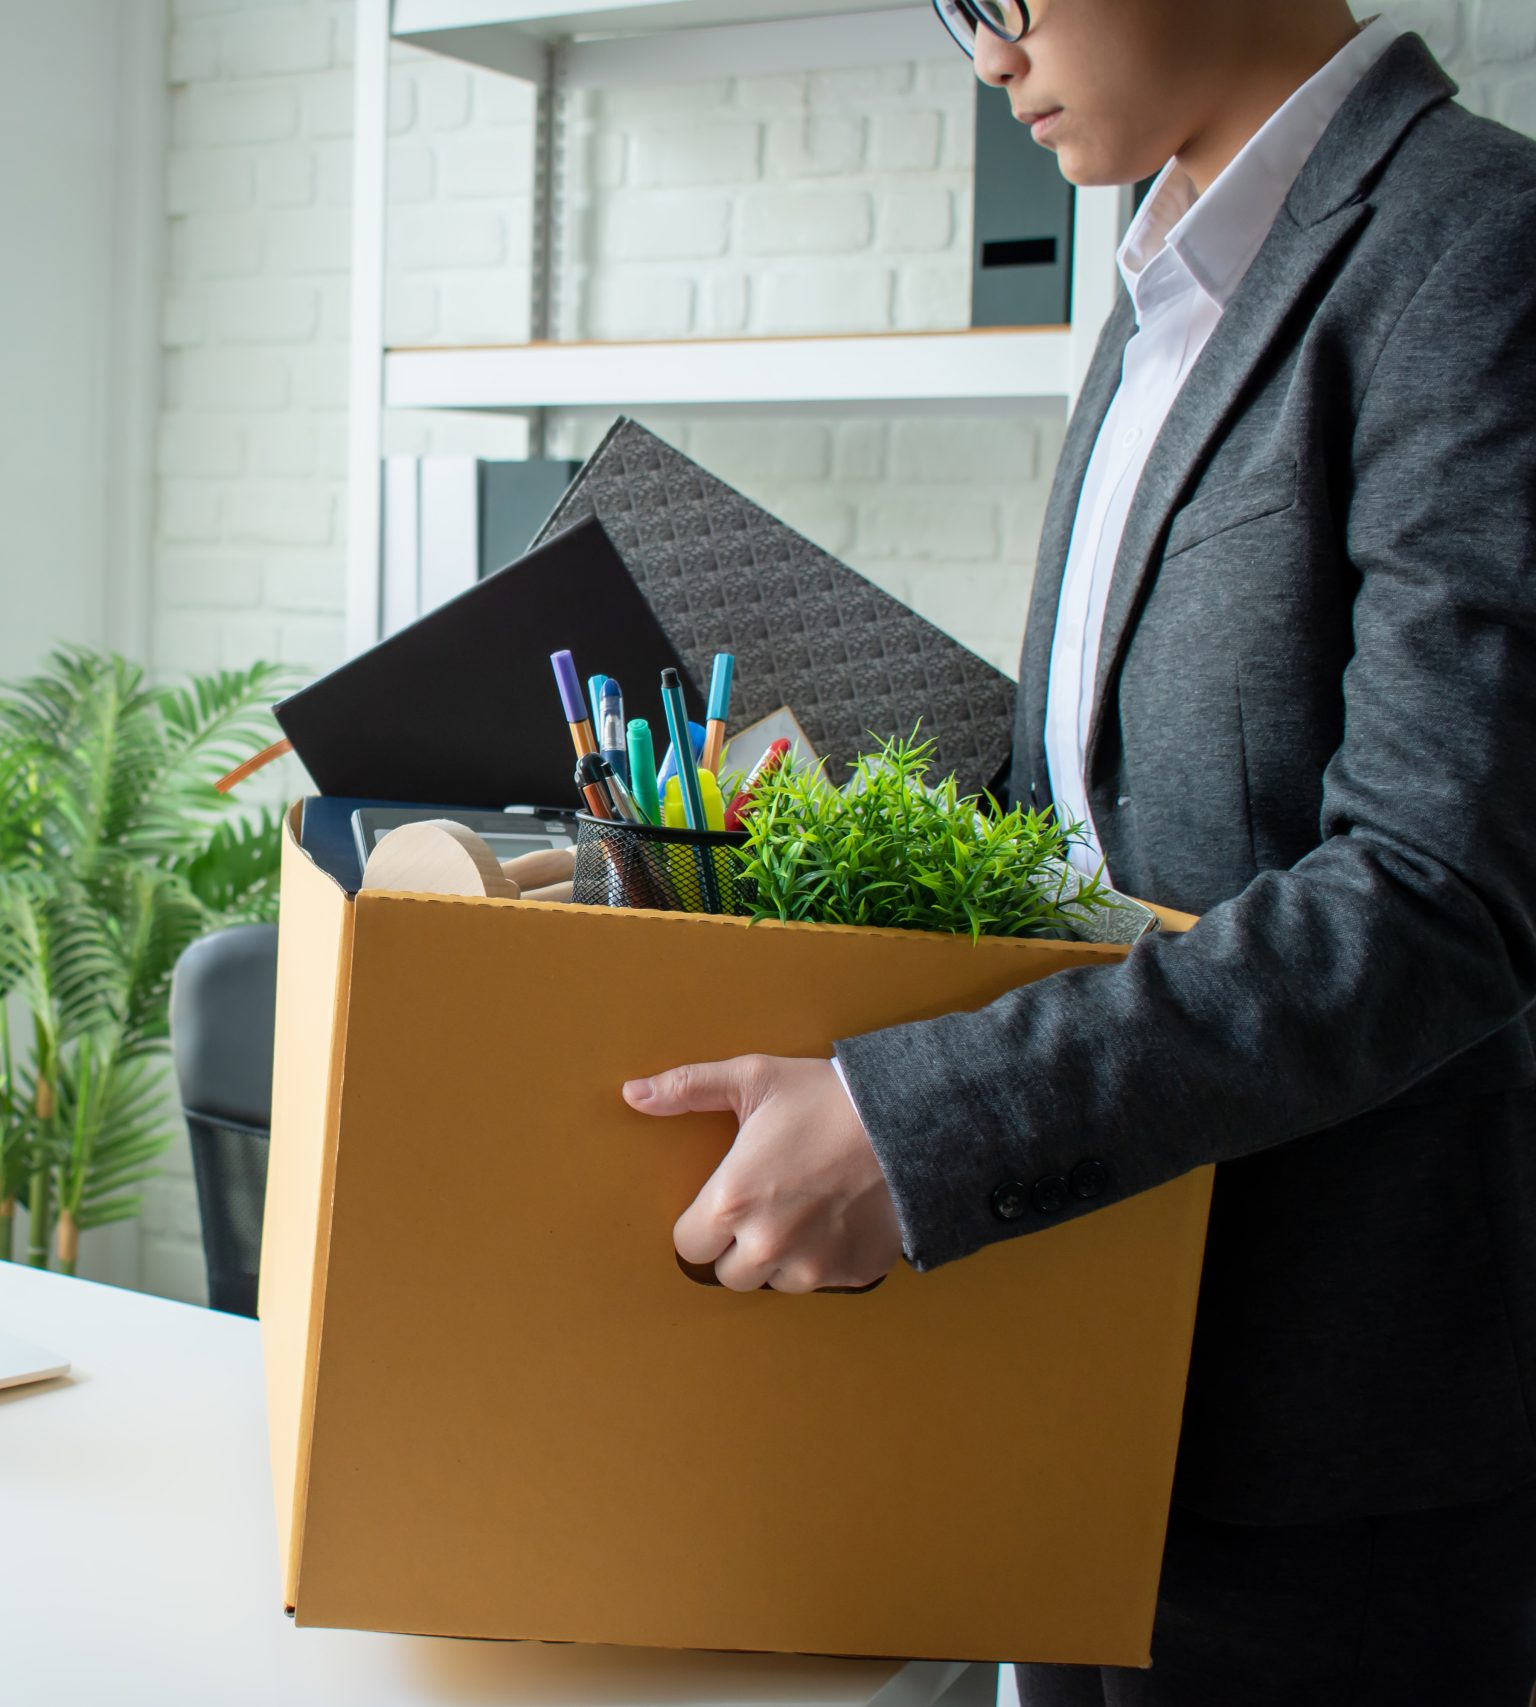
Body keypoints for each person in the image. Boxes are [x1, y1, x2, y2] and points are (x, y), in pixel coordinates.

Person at [619, 1, 1536, 1699]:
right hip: (1073, 1353)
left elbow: (1434, 894)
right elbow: (1101, 824)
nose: (986, 59)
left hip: (1325, 1448)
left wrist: (915, 1125)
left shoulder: (1478, 251)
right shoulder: (1155, 286)